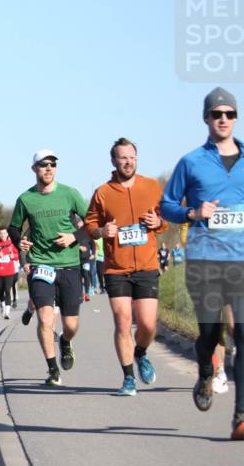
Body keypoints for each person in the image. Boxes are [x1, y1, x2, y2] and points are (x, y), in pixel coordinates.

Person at [160, 86, 244, 440]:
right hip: (205, 260)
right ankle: (207, 372)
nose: (223, 119)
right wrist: (192, 212)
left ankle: (241, 416)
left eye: (229, 114)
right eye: (216, 114)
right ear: (206, 118)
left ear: (235, 118)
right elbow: (166, 205)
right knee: (211, 331)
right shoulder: (191, 161)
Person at [83, 137, 167, 397]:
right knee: (122, 321)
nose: (128, 162)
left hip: (146, 265)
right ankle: (128, 378)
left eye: (132, 157)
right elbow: (89, 226)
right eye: (123, 157)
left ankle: (140, 352)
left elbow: (167, 217)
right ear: (114, 161)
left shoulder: (151, 187)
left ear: (136, 159)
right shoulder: (103, 192)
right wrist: (101, 230)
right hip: (116, 268)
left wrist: (158, 222)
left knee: (148, 324)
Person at [9, 149, 88, 386]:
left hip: (69, 265)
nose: (49, 168)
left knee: (71, 324)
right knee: (45, 319)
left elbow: (92, 223)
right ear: (34, 169)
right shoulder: (26, 199)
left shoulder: (70, 194)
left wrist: (74, 237)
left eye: (53, 164)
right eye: (43, 165)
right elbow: (13, 228)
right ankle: (53, 369)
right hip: (42, 265)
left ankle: (65, 341)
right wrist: (18, 241)